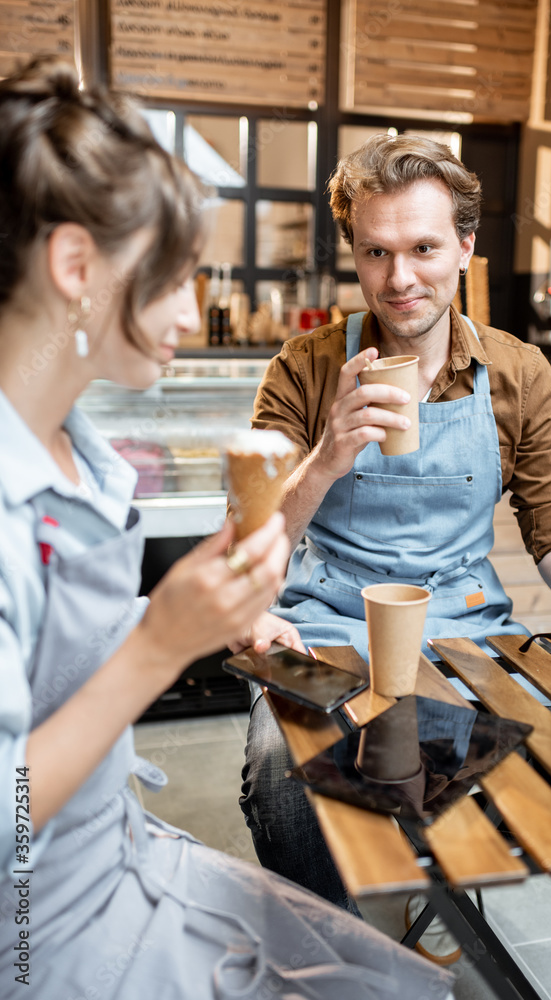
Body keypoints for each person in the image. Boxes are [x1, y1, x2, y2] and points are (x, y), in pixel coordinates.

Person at [0, 59, 454, 999]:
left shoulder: (73, 448)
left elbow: (47, 655)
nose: (186, 312)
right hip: (41, 937)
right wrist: (162, 642)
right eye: (173, 279)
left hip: (121, 859)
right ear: (77, 268)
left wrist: (183, 616)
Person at [239, 133, 551, 920]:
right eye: (375, 253)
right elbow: (248, 543)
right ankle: (333, 953)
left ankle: (442, 914)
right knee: (280, 775)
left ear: (465, 245)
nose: (398, 280)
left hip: (464, 629)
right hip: (327, 630)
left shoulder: (519, 372)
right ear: (354, 253)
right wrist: (326, 456)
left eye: (423, 248)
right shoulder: (305, 367)